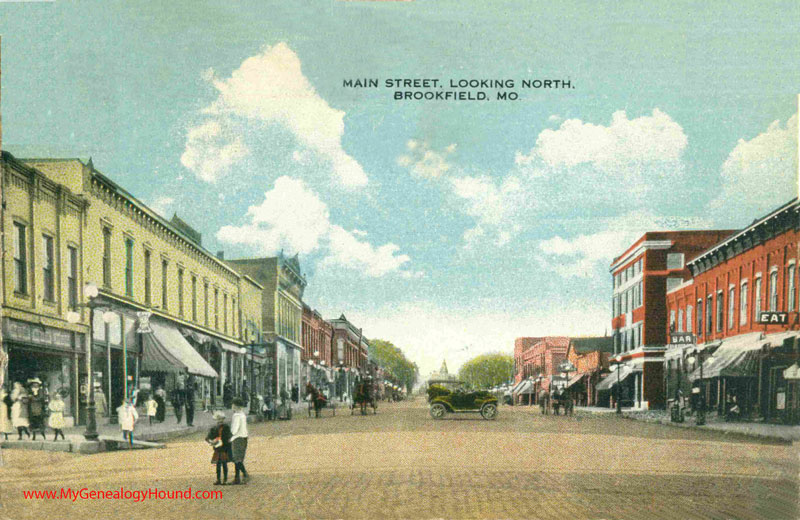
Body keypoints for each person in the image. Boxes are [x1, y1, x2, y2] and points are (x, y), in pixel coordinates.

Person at [206, 411, 232, 486]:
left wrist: (213, 441)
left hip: (222, 448)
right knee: (220, 464)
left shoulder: (224, 427)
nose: (220, 421)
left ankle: (223, 479)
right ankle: (220, 479)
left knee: (222, 464)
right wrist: (212, 441)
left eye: (221, 419)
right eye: (219, 419)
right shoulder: (216, 428)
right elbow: (208, 438)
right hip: (220, 448)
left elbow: (229, 436)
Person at [229, 398, 249, 485]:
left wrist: (230, 435)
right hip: (244, 437)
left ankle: (245, 474)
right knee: (239, 458)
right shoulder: (242, 415)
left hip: (237, 438)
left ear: (236, 406)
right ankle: (237, 478)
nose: (232, 406)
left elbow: (234, 429)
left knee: (236, 459)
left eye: (233, 404)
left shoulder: (236, 416)